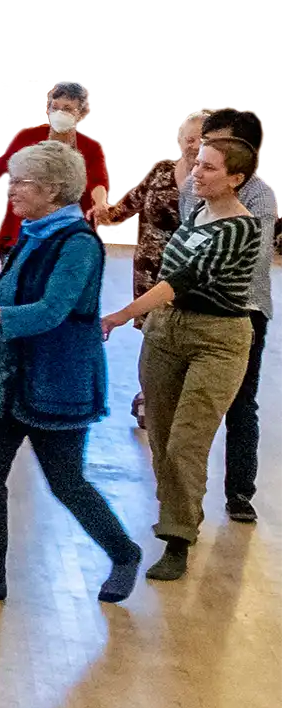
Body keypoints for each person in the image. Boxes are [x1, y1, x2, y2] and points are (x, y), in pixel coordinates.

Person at [0, 141, 142, 606]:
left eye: (21, 181)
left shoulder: (78, 244)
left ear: (52, 189)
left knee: (66, 482)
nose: (12, 190)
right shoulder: (31, 231)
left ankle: (124, 553)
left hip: (57, 384)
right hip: (8, 380)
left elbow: (50, 312)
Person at [105, 136, 264, 582]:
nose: (198, 171)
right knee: (160, 433)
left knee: (186, 443)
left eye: (211, 167)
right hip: (166, 332)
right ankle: (177, 513)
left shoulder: (240, 227)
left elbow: (182, 279)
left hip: (217, 339)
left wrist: (119, 316)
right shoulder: (196, 213)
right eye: (198, 163)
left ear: (236, 179)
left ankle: (178, 538)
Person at [182, 109, 273, 523]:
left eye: (214, 140)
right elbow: (188, 238)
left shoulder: (260, 196)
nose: (202, 147)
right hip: (189, 308)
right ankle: (183, 504)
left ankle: (239, 491)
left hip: (242, 311)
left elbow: (249, 254)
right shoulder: (192, 181)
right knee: (186, 413)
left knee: (240, 405)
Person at [109, 110, 206, 426]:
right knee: (152, 337)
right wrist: (101, 216)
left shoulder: (213, 180)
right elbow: (129, 204)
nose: (195, 145)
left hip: (192, 274)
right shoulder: (161, 172)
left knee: (183, 334)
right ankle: (149, 397)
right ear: (179, 141)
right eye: (189, 138)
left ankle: (176, 398)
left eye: (203, 138)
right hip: (150, 271)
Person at [0, 81, 109, 257]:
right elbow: (0, 166)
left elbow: (98, 181)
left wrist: (100, 203)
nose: (59, 113)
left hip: (68, 236)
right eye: (54, 107)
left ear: (81, 114)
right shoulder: (26, 138)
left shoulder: (91, 147)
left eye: (67, 109)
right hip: (23, 234)